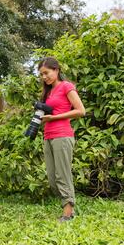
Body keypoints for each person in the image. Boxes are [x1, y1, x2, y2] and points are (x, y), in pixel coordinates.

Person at [38, 57, 86, 222]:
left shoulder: (67, 86)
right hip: (48, 136)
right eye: (42, 75)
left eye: (47, 73)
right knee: (52, 178)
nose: (44, 77)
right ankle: (68, 204)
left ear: (56, 70)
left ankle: (68, 212)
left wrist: (54, 118)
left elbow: (81, 111)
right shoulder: (48, 92)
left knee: (62, 175)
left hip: (62, 135)